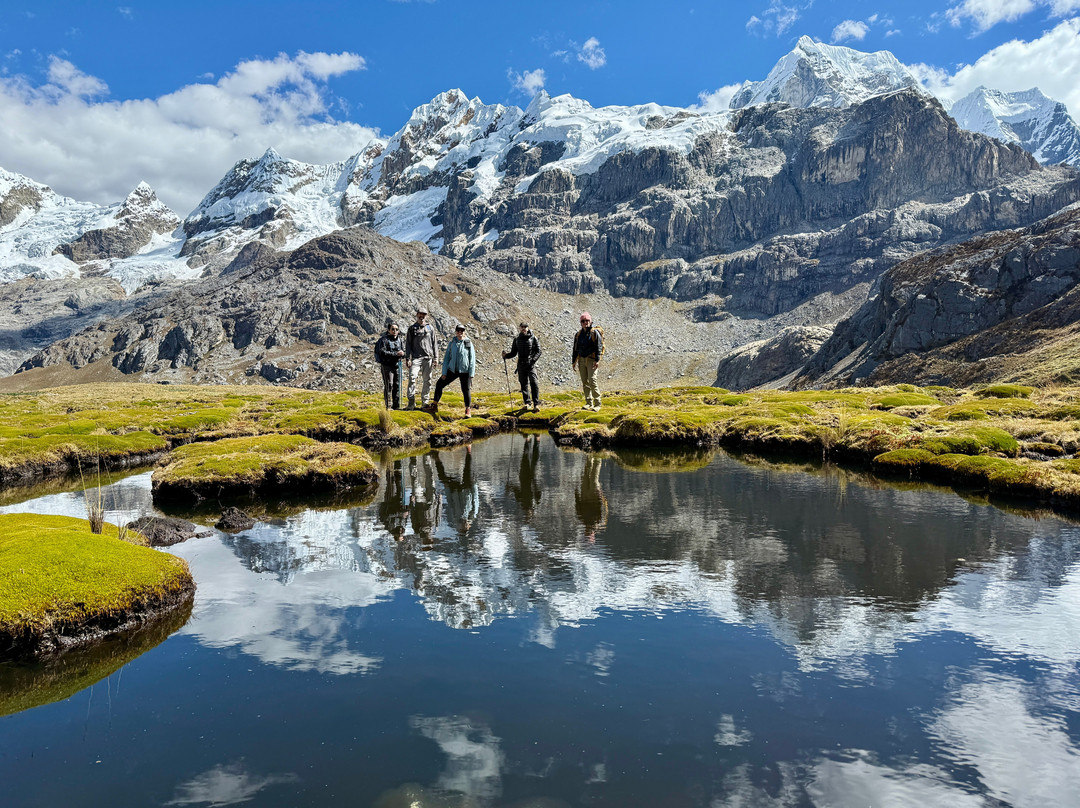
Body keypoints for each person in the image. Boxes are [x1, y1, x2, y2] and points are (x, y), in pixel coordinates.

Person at [428, 324, 476, 416]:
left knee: (465, 389)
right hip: (452, 370)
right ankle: (434, 405)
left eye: (462, 331)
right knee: (439, 384)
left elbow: (472, 358)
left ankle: (468, 410)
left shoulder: (468, 343)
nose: (460, 332)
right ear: (456, 332)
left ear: (464, 332)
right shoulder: (452, 343)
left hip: (464, 371)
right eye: (458, 330)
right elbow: (446, 358)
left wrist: (471, 373)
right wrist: (444, 372)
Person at [502, 321, 542, 412]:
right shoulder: (516, 339)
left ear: (528, 328)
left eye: (525, 327)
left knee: (534, 382)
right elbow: (513, 353)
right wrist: (506, 355)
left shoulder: (533, 338)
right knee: (523, 384)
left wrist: (532, 361)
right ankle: (527, 403)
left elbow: (539, 351)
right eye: (522, 327)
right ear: (519, 328)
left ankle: (536, 404)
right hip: (521, 364)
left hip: (530, 364)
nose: (523, 328)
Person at [405, 307, 439, 410]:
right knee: (412, 377)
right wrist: (408, 358)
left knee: (427, 380)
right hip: (416, 358)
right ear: (417, 314)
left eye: (424, 314)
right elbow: (408, 345)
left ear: (426, 316)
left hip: (428, 358)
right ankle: (411, 402)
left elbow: (434, 344)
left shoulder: (430, 328)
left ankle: (425, 402)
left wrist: (436, 358)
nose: (422, 316)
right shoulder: (412, 328)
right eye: (420, 314)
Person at [571, 311, 604, 411]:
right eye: (583, 321)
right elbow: (575, 348)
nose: (585, 322)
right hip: (581, 359)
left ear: (590, 321)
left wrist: (597, 360)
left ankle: (597, 403)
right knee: (585, 381)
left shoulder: (595, 333)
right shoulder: (578, 334)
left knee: (592, 380)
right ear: (580, 322)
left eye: (587, 320)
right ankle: (588, 402)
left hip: (591, 360)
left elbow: (599, 346)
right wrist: (574, 361)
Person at [374, 322, 405, 409]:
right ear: (388, 330)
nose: (394, 331)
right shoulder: (384, 340)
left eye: (396, 329)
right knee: (389, 385)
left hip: (397, 365)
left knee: (397, 385)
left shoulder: (400, 340)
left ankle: (397, 406)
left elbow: (404, 351)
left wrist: (403, 354)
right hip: (387, 365)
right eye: (392, 329)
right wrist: (396, 354)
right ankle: (388, 406)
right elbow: (382, 352)